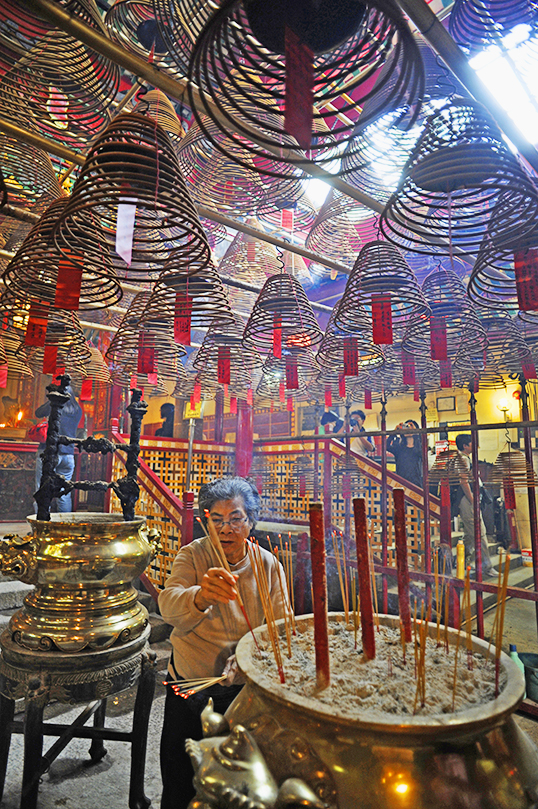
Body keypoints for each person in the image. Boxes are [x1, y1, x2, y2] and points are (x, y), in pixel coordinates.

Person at [159, 477, 286, 809]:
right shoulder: (194, 555)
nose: (226, 529)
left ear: (251, 521)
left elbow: (281, 628)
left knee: (238, 786)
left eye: (235, 519)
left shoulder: (268, 564)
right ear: (206, 522)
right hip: (191, 686)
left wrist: (250, 658)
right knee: (180, 778)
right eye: (217, 521)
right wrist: (200, 597)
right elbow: (169, 604)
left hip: (244, 692)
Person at [451, 434, 496, 578]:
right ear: (465, 446)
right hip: (467, 499)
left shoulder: (463, 458)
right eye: (473, 443)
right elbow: (463, 481)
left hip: (467, 499)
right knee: (479, 532)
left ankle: (460, 561)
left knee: (470, 535)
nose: (476, 446)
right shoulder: (463, 459)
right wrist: (473, 500)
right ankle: (486, 566)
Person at [34, 384, 82, 513]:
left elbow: (38, 412)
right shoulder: (78, 410)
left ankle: (41, 525)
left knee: (42, 489)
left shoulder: (54, 404)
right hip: (68, 455)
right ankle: (64, 528)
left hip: (50, 453)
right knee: (64, 493)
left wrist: (51, 398)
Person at [387, 419, 423, 488]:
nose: (408, 429)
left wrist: (416, 433)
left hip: (416, 484)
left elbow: (421, 453)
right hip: (401, 484)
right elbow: (386, 446)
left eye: (411, 427)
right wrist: (394, 432)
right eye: (406, 427)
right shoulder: (398, 448)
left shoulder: (419, 448)